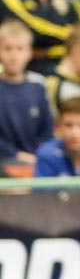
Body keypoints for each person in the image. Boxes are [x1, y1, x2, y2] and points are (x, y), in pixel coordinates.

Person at [0, 21, 52, 172]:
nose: (13, 55)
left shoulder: (38, 86)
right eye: (8, 49)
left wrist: (39, 155)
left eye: (19, 49)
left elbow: (47, 130)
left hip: (37, 161)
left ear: (29, 52)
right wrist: (16, 154)